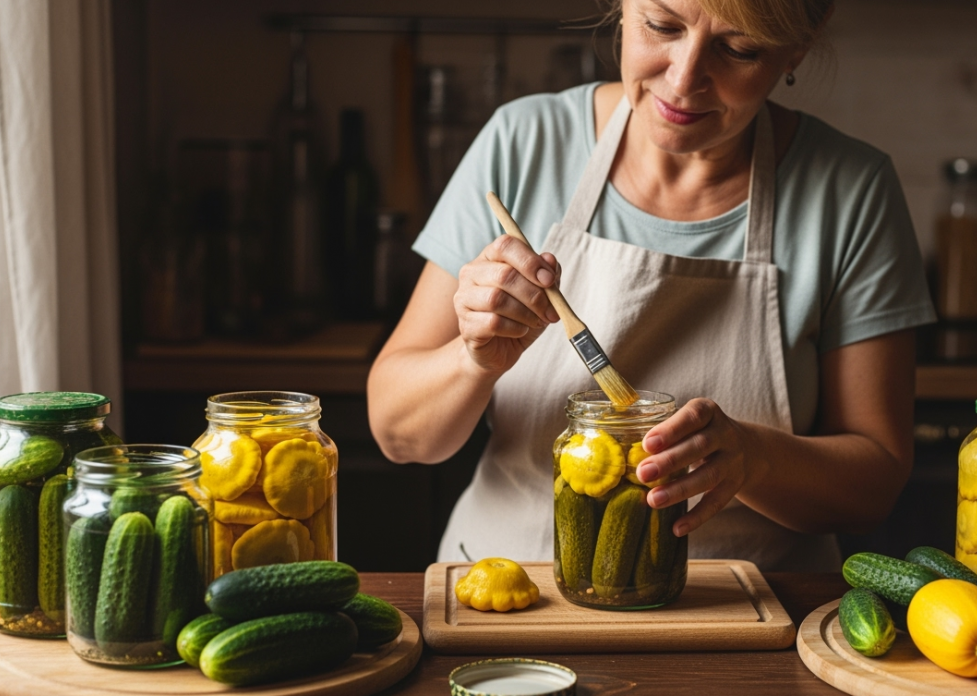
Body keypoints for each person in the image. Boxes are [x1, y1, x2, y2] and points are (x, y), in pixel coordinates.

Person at [367, 0, 935, 571]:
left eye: (739, 50)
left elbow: (874, 485)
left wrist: (753, 459)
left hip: (755, 615)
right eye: (661, 26)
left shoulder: (852, 191)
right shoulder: (523, 142)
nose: (684, 79)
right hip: (511, 597)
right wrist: (473, 361)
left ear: (796, 50)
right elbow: (399, 435)